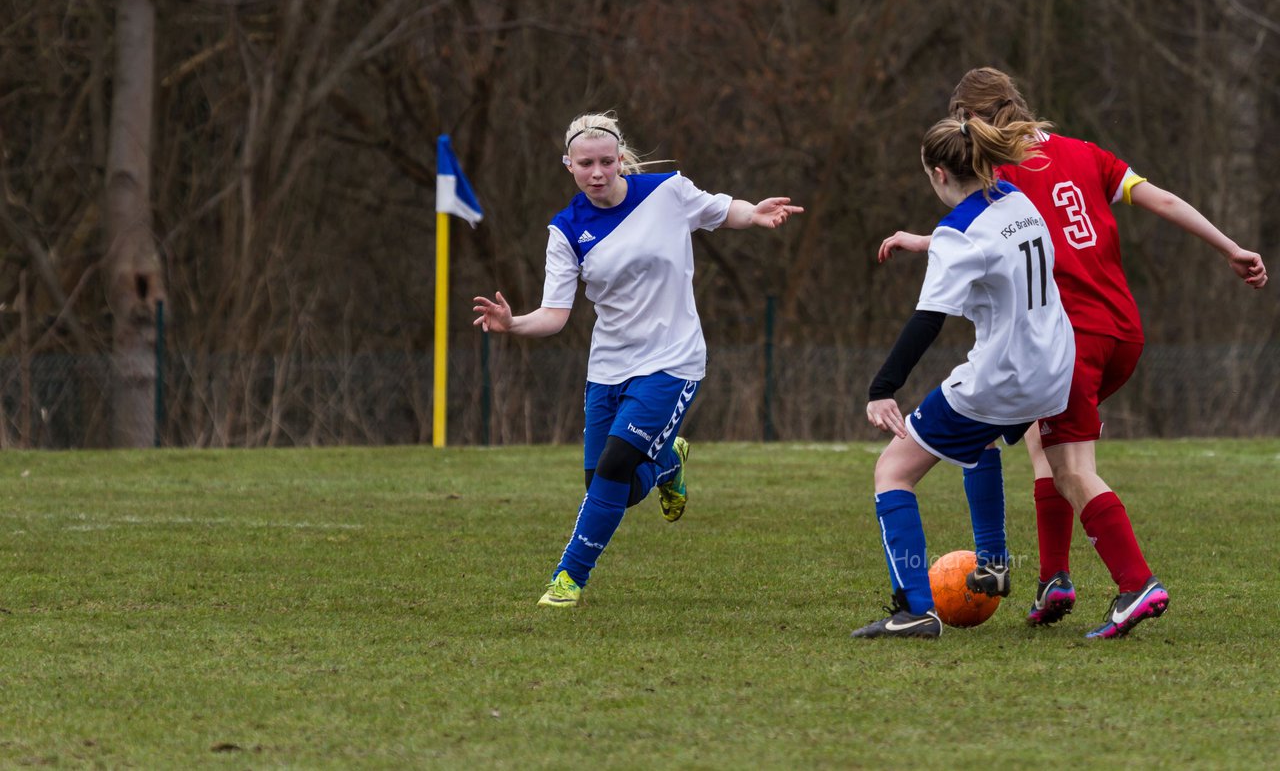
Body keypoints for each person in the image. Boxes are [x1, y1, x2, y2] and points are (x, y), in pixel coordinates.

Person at [878, 67, 1268, 638]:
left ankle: (1128, 582)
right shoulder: (1084, 153)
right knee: (1041, 441)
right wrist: (1230, 247)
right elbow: (1158, 198)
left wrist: (929, 243)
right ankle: (1051, 578)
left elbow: (974, 241)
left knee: (1067, 464)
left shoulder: (999, 175)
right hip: (1123, 331)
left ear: (973, 125)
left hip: (1066, 339)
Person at [473, 112, 802, 608]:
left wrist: (752, 213)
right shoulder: (565, 231)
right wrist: (514, 323)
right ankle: (669, 463)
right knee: (613, 489)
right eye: (586, 164)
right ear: (569, 166)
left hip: (673, 359)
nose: (598, 172)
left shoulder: (667, 192)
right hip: (608, 366)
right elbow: (556, 315)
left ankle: (568, 578)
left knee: (616, 465)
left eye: (607, 161)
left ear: (620, 159)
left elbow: (719, 209)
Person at [852, 114, 1075, 639]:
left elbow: (928, 320)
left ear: (937, 173)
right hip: (1053, 368)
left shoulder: (957, 234)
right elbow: (988, 244)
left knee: (893, 472)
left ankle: (913, 610)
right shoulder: (1016, 199)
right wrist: (925, 240)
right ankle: (994, 566)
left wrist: (882, 388)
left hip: (1004, 379)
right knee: (980, 443)